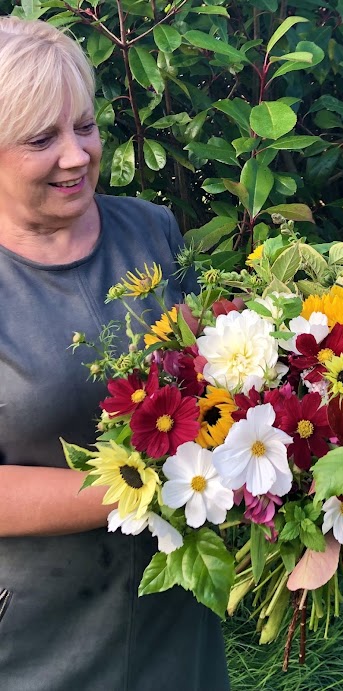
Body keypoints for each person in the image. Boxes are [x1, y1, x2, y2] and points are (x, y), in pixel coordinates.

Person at [0, 16, 230, 691]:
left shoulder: (152, 230)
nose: (75, 156)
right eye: (42, 138)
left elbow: (209, 370)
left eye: (85, 126)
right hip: (36, 630)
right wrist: (148, 486)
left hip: (173, 608)